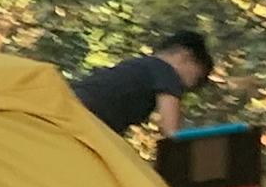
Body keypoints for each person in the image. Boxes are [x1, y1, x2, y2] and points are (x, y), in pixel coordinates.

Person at [69, 30, 211, 140]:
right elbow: (171, 131)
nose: (187, 87)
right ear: (185, 56)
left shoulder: (139, 66)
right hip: (85, 118)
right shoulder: (166, 71)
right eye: (196, 78)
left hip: (69, 104)